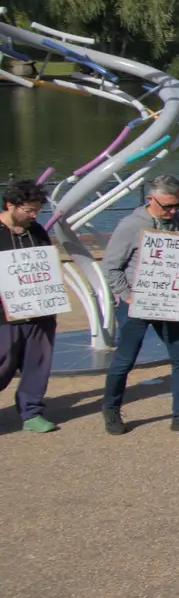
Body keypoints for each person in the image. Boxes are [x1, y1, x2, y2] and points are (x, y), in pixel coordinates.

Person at [99, 174, 179, 435]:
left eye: (177, 205)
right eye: (167, 206)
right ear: (150, 199)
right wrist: (126, 294)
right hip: (135, 301)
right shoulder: (130, 225)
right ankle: (111, 410)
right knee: (125, 358)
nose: (172, 211)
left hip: (167, 299)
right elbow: (111, 266)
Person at [0, 179, 59, 433]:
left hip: (40, 309)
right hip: (3, 314)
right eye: (28, 210)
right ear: (10, 205)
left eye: (37, 211)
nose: (34, 216)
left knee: (38, 362)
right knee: (3, 361)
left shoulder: (37, 231)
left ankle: (31, 412)